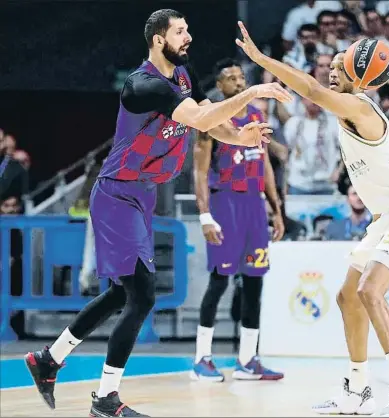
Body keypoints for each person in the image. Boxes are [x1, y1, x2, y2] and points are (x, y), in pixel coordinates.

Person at [23, 9, 292, 418]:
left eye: (188, 30)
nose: (189, 37)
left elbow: (208, 122)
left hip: (141, 194)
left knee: (120, 293)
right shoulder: (143, 85)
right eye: (180, 32)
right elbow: (201, 116)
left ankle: (49, 358)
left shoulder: (184, 73)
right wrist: (252, 94)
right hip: (117, 194)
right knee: (143, 294)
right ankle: (105, 399)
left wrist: (238, 137)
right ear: (157, 39)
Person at [237, 24, 389, 416]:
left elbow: (312, 92)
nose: (330, 73)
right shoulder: (348, 106)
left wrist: (262, 61)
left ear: (358, 74)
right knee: (347, 296)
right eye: (329, 67)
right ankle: (358, 390)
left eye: (339, 67)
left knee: (370, 290)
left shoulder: (360, 106)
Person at [192, 58, 285, 381]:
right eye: (230, 79)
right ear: (220, 87)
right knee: (220, 281)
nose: (239, 82)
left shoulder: (258, 116)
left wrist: (276, 208)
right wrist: (204, 215)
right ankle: (202, 358)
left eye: (241, 77)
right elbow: (200, 170)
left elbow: (266, 164)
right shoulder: (211, 119)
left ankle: (248, 360)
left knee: (255, 282)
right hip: (225, 204)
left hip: (254, 206)